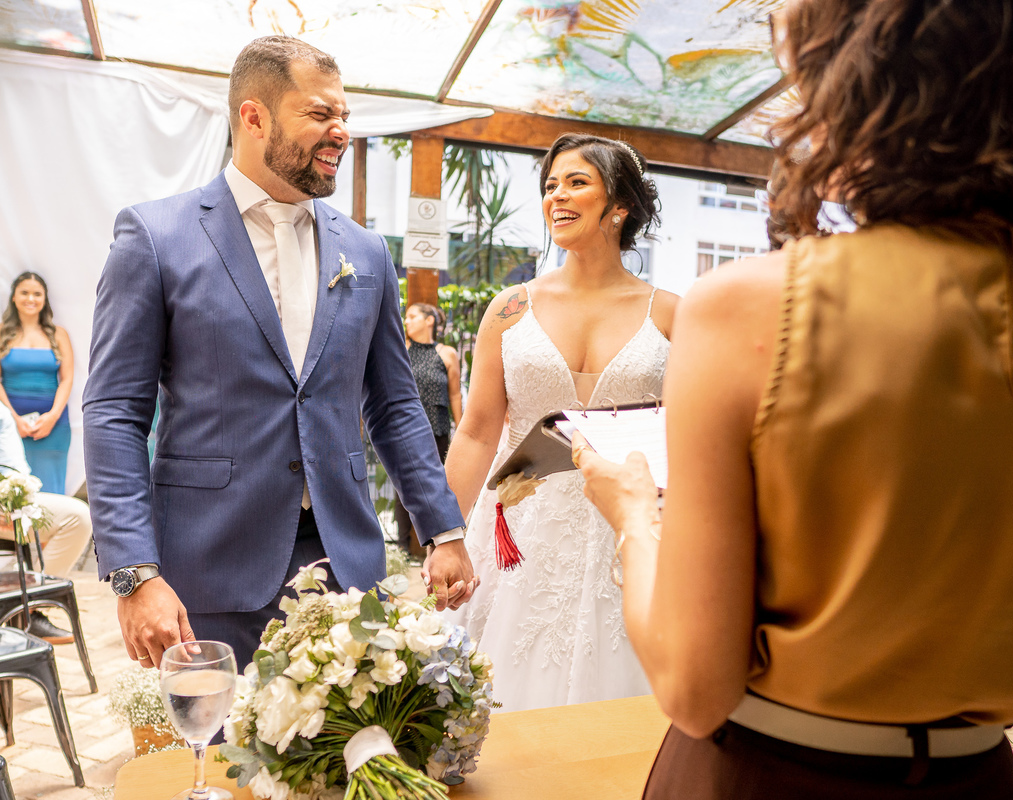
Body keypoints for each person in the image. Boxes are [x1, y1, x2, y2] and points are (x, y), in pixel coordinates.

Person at [575, 0, 1013, 797]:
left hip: (767, 772)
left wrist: (634, 515)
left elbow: (693, 685)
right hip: (979, 773)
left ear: (847, 86)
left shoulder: (753, 307)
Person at [83, 35, 473, 675]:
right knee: (216, 755)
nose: (340, 132)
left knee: (351, 757)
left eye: (344, 116)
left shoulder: (367, 252)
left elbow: (396, 405)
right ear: (254, 116)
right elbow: (112, 412)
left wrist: (444, 530)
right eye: (320, 115)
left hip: (345, 563)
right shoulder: (155, 237)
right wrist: (133, 571)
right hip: (209, 565)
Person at [441, 133, 678, 712]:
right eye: (550, 185)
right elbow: (476, 432)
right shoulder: (510, 308)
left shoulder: (671, 313)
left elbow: (688, 436)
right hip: (520, 532)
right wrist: (442, 536)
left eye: (576, 182)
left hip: (626, 529)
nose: (557, 196)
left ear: (618, 205)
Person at [0, 408, 91, 644]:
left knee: (78, 516)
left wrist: (16, 500)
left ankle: (25, 610)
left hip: (7, 501)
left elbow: (16, 471)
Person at [0, 272, 74, 495]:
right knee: (11, 492)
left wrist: (52, 417)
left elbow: (67, 379)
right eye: (24, 292)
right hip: (8, 426)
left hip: (53, 426)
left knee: (50, 489)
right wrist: (14, 420)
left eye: (37, 294)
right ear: (14, 297)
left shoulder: (59, 334)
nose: (30, 299)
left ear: (45, 298)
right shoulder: (2, 332)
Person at [404, 303, 461, 462]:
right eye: (406, 318)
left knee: (437, 482)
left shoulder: (448, 354)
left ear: (429, 320)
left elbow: (455, 395)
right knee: (406, 484)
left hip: (438, 432)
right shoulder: (402, 350)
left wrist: (461, 431)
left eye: (412, 317)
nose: (407, 321)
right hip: (406, 431)